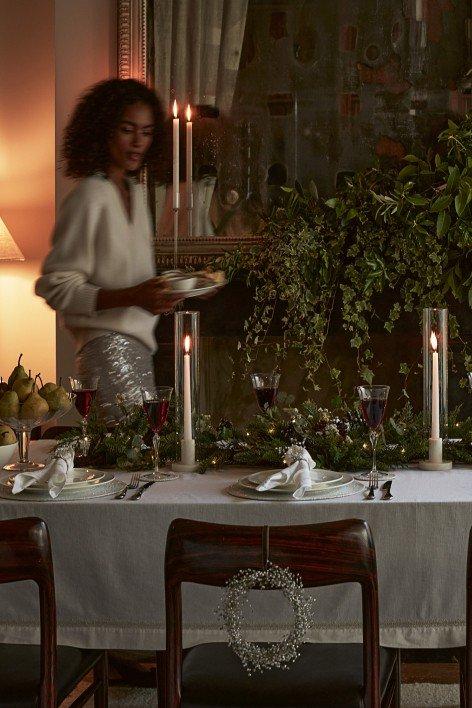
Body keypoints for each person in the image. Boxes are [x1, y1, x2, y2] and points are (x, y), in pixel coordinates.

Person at [36, 79, 182, 421]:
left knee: (144, 460)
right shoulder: (89, 195)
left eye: (146, 132)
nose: (138, 142)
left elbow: (136, 283)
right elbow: (55, 286)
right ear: (103, 129)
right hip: (105, 351)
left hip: (141, 351)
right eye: (127, 129)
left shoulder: (133, 192)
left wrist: (177, 289)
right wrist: (133, 296)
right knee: (127, 461)